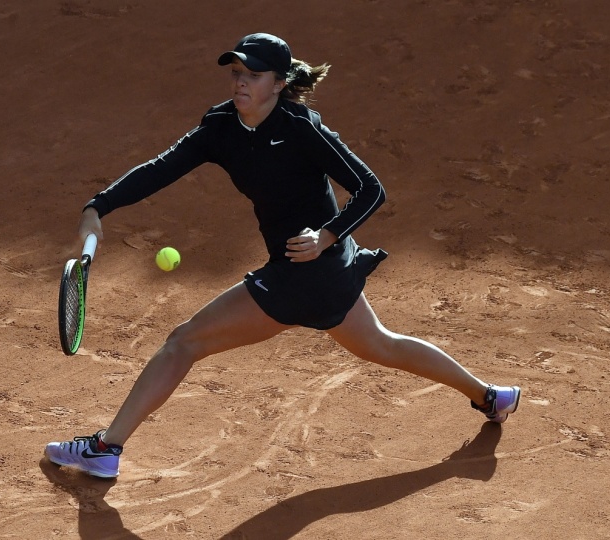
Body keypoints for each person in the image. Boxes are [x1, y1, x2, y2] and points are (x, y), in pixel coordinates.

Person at [44, 33, 520, 479]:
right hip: (321, 274)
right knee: (382, 345)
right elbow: (163, 168)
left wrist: (328, 235)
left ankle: (106, 449)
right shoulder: (221, 126)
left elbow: (370, 189)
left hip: (308, 270)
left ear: (279, 83)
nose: (240, 83)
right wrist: (98, 206)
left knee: (184, 342)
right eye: (235, 73)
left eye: (251, 75)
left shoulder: (300, 128)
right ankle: (489, 396)